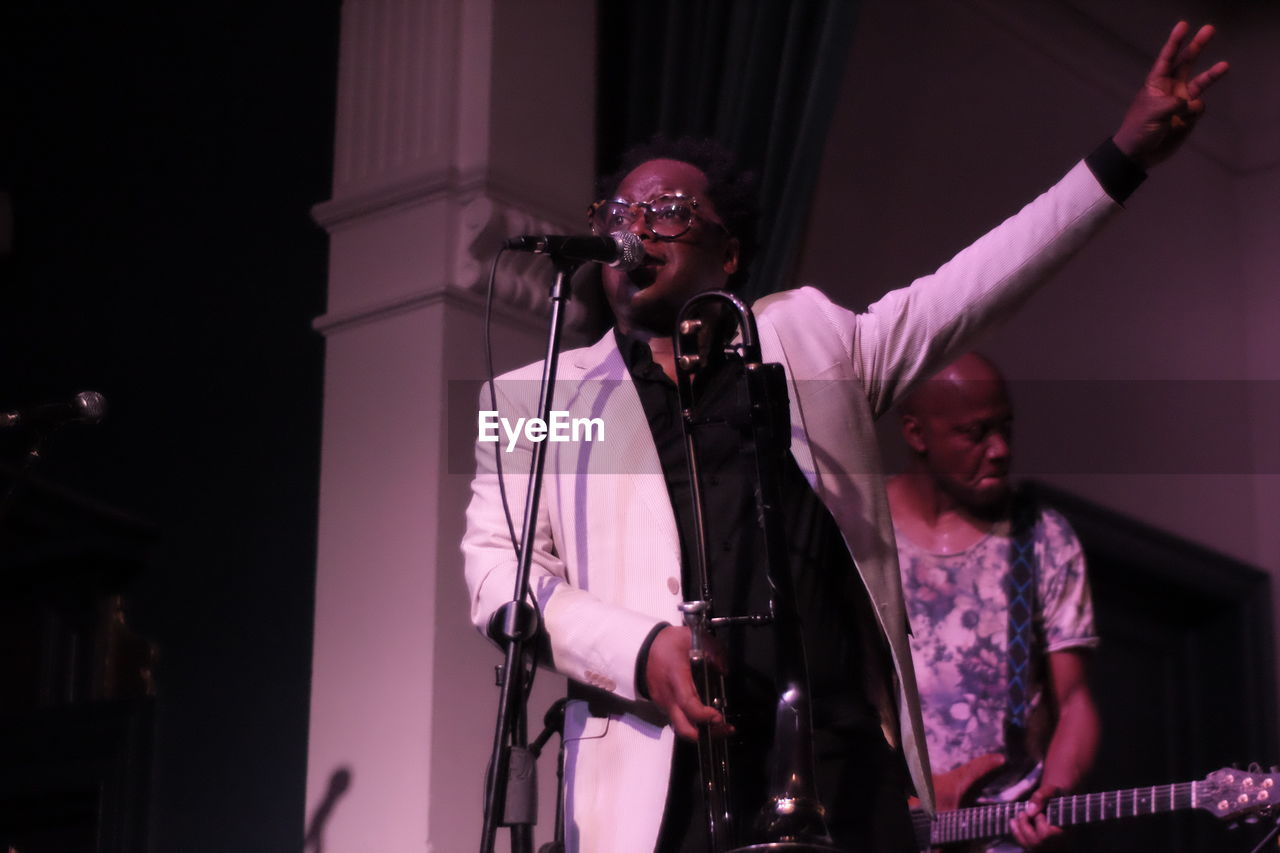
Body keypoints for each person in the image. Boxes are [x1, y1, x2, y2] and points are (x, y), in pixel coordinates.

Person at [462, 21, 1227, 853]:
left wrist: (1123, 158)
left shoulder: (817, 340)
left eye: (670, 212)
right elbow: (496, 574)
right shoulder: (540, 395)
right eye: (619, 212)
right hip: (661, 782)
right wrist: (640, 651)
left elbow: (976, 285)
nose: (635, 227)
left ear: (730, 251)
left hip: (834, 768)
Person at [888, 353, 1100, 852]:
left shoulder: (1043, 538)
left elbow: (1073, 700)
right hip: (882, 821)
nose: (1000, 449)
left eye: (1005, 427)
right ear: (917, 434)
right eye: (975, 433)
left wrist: (1057, 791)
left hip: (997, 832)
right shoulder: (858, 528)